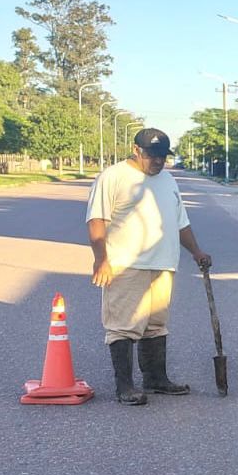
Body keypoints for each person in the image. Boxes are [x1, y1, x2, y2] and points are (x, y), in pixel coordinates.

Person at [86, 128, 212, 405]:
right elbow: (97, 220)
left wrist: (196, 251)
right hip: (126, 264)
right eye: (152, 155)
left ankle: (156, 379)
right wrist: (101, 259)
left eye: (162, 157)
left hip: (164, 263)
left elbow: (181, 222)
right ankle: (125, 387)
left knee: (156, 324)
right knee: (123, 325)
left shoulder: (168, 181)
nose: (157, 162)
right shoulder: (114, 176)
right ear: (136, 150)